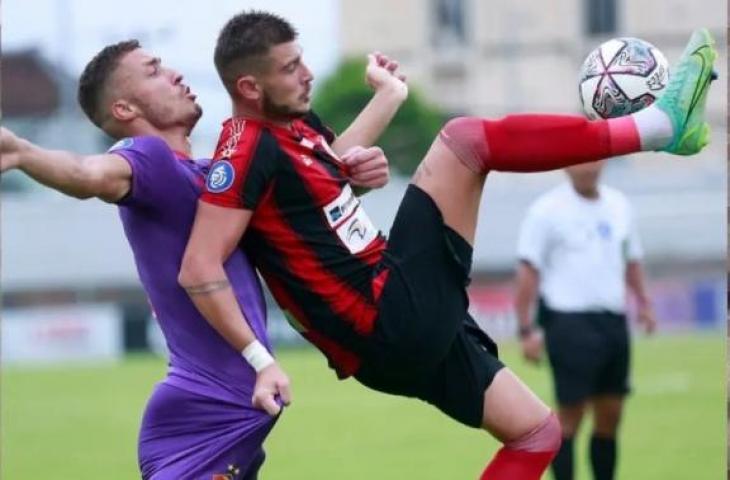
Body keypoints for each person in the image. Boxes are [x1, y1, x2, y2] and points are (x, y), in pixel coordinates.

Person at [178, 10, 716, 479]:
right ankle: (656, 127)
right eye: (290, 67)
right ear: (250, 87)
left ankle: (657, 126)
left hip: (392, 333)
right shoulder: (243, 150)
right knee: (465, 142)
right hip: (387, 311)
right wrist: (260, 360)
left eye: (302, 59)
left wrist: (386, 101)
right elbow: (199, 266)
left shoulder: (291, 128)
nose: (308, 73)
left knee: (537, 435)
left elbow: (322, 175)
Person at [0, 38, 408, 479]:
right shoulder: (149, 160)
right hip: (202, 417)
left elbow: (313, 172)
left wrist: (386, 102)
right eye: (154, 71)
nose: (175, 74)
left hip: (224, 413)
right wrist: (22, 152)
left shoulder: (212, 180)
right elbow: (88, 174)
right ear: (124, 111)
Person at [514, 159, 657, 480]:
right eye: (581, 161)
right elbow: (528, 269)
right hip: (568, 323)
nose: (589, 167)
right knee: (569, 418)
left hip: (613, 321)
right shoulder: (546, 210)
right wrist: (526, 328)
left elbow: (631, 259)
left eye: (594, 159)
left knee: (611, 416)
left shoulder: (619, 205)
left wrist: (644, 303)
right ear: (566, 166)